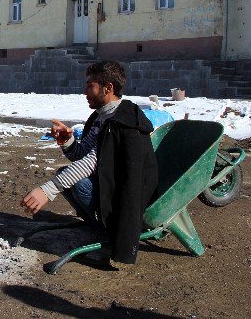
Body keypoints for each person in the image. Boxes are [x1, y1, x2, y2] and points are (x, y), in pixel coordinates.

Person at [21, 61, 158, 268]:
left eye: (90, 85)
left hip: (127, 198)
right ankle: (96, 226)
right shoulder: (100, 117)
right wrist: (67, 140)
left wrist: (47, 190)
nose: (85, 91)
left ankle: (108, 236)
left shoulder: (122, 122)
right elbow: (82, 154)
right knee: (67, 174)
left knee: (76, 182)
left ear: (108, 88)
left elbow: (90, 163)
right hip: (108, 186)